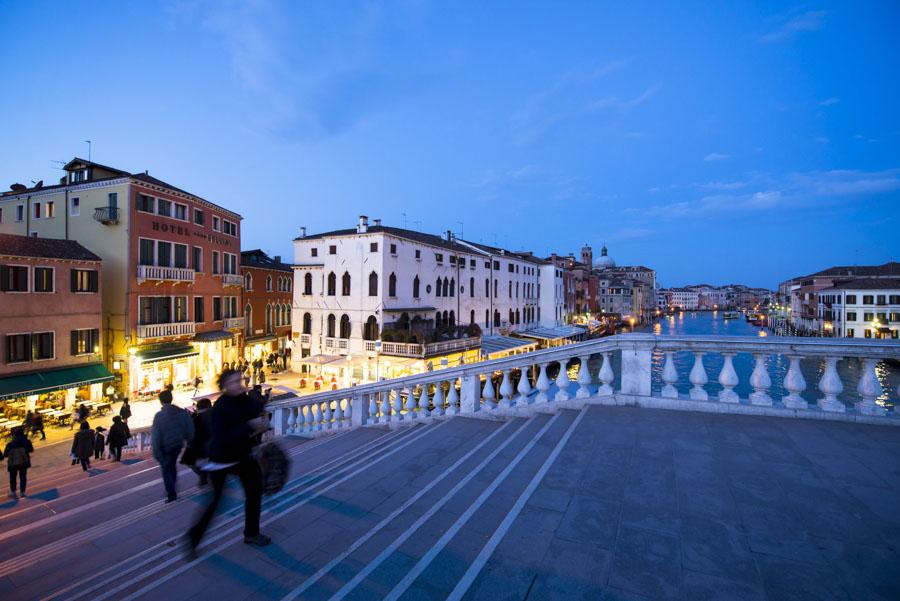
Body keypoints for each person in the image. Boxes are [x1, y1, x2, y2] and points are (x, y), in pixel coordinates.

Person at [187, 368, 270, 552]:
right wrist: (250, 426)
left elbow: (256, 409)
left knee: (254, 492)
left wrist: (262, 413)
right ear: (224, 386)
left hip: (242, 456)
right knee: (216, 501)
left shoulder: (245, 399)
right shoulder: (221, 408)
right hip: (221, 458)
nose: (238, 385)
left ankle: (251, 533)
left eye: (239, 380)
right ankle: (193, 537)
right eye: (233, 382)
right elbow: (223, 438)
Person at [150, 388, 194, 503]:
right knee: (172, 466)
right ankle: (172, 489)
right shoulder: (181, 412)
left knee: (166, 469)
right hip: (178, 445)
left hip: (165, 447)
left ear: (161, 401)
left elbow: (155, 436)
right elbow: (189, 428)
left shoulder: (159, 416)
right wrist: (189, 441)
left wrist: (156, 453)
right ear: (171, 399)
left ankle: (171, 494)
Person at [183, 397, 213, 486]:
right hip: (214, 448)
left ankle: (203, 476)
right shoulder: (216, 416)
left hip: (202, 449)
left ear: (198, 409)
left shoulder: (195, 420)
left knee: (190, 461)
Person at [2, 427, 34, 498]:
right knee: (23, 477)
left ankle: (13, 492)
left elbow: (5, 454)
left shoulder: (10, 444)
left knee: (13, 477)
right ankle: (22, 492)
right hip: (23, 462)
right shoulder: (26, 441)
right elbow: (31, 450)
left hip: (13, 463)